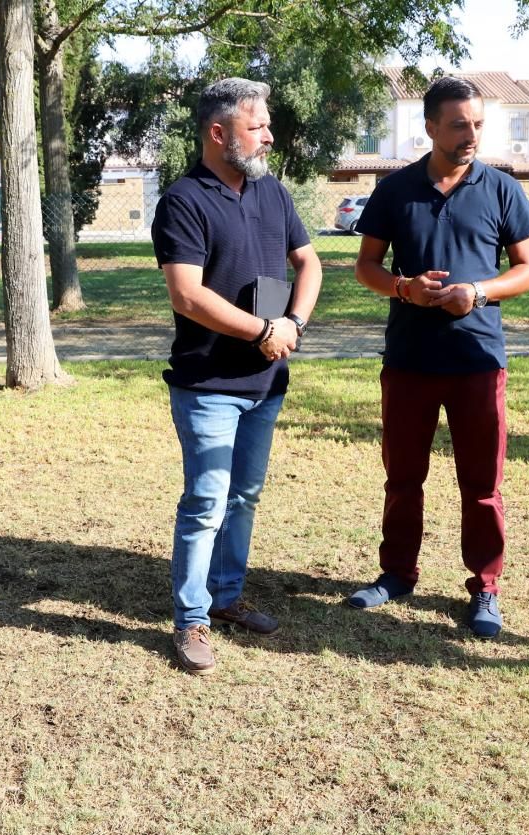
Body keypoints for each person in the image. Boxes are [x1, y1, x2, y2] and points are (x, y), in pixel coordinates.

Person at [346, 76, 529, 640]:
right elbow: (366, 267)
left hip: (478, 360)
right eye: (459, 125)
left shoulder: (501, 189)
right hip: (409, 359)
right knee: (403, 477)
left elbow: (526, 270)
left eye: (478, 124)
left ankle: (485, 587)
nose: (471, 135)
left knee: (482, 483)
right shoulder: (395, 189)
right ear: (429, 127)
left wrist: (477, 292)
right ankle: (396, 574)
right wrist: (405, 289)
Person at [150, 77, 322, 676]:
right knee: (206, 501)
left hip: (266, 382)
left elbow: (309, 261)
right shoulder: (183, 201)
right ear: (218, 133)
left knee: (243, 497)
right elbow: (188, 295)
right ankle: (191, 617)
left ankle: (224, 598)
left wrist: (294, 321)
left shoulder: (272, 193)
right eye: (258, 126)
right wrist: (260, 330)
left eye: (268, 124)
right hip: (208, 387)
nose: (270, 136)